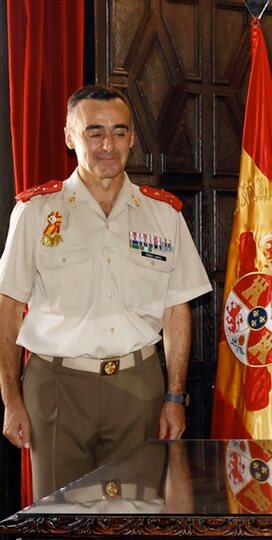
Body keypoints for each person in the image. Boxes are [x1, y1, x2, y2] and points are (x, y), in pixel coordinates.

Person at [0, 85, 212, 499]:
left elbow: (176, 311)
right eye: (93, 132)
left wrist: (174, 395)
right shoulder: (37, 212)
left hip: (138, 388)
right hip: (58, 386)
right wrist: (11, 399)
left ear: (132, 137)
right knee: (60, 518)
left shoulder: (162, 214)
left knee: (136, 513)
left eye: (118, 132)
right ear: (69, 137)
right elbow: (8, 308)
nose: (107, 145)